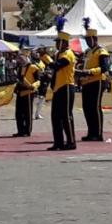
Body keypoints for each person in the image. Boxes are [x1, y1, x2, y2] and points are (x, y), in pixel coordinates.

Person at [79, 17, 110, 141]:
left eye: (89, 39)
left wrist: (90, 71)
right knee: (87, 107)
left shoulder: (102, 51)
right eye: (86, 39)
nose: (87, 42)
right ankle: (91, 132)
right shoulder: (87, 52)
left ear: (95, 39)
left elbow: (104, 68)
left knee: (95, 106)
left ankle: (98, 133)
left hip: (97, 81)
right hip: (86, 81)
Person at [48, 16, 76, 151]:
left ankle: (71, 142)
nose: (56, 44)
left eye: (58, 41)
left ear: (64, 42)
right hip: (59, 88)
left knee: (66, 116)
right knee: (55, 116)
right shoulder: (59, 53)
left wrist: (46, 59)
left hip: (66, 87)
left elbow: (59, 65)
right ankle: (58, 142)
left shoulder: (68, 54)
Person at [14, 45, 40, 137]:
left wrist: (33, 86)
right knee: (18, 113)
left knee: (27, 113)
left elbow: (38, 80)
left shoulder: (33, 67)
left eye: (21, 57)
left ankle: (27, 131)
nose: (19, 59)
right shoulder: (19, 68)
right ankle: (20, 130)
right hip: (20, 92)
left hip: (29, 92)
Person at [33, 47, 52, 120]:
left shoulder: (43, 61)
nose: (38, 54)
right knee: (39, 97)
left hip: (44, 81)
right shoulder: (33, 62)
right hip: (38, 81)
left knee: (42, 98)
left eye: (39, 52)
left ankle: (38, 113)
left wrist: (47, 72)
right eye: (37, 52)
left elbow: (47, 69)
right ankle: (35, 113)